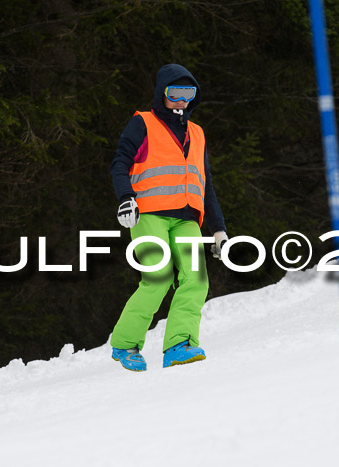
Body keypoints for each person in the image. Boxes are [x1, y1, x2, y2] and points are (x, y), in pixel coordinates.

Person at [109, 63, 228, 371]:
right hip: (149, 215)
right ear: (162, 94)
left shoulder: (197, 134)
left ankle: (179, 344)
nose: (181, 100)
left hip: (187, 219)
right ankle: (125, 345)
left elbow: (207, 184)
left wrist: (218, 229)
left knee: (196, 279)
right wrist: (126, 199)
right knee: (158, 277)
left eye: (188, 93)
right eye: (174, 92)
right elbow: (120, 162)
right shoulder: (142, 124)